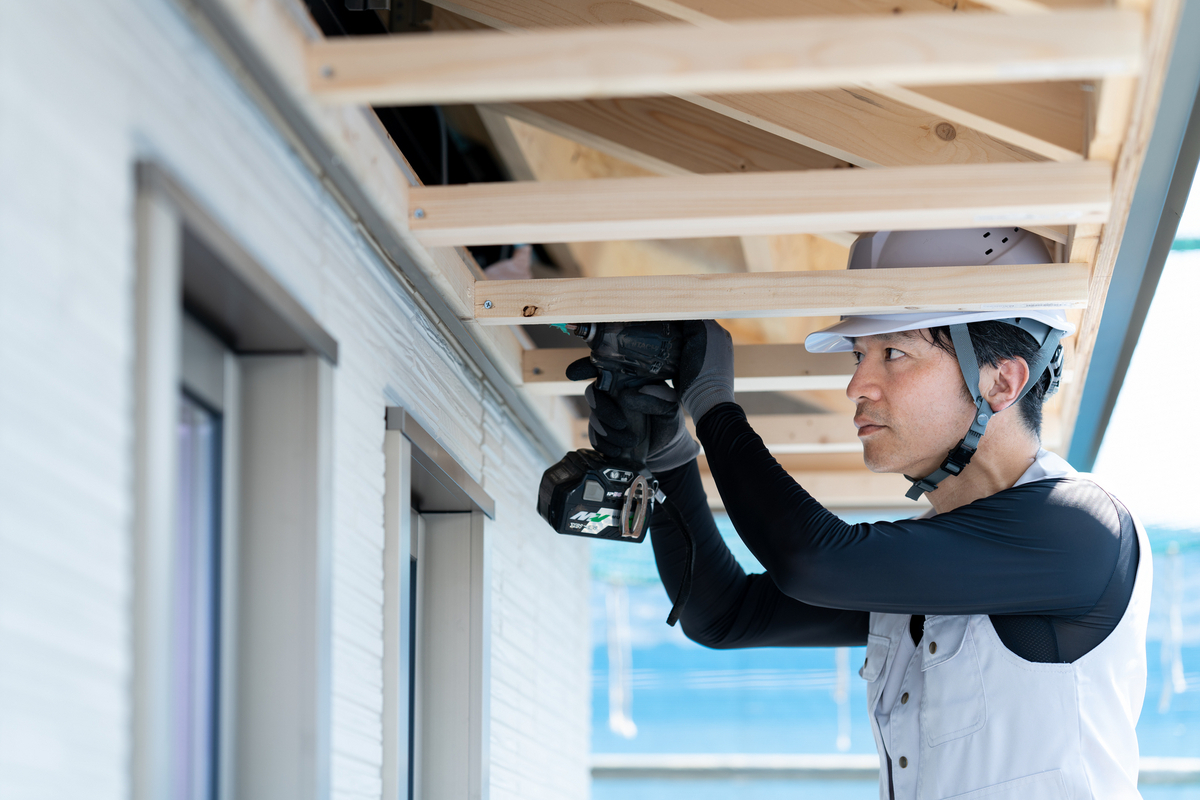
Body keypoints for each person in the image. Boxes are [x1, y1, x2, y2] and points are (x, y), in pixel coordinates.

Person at [574, 228, 1151, 800]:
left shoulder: (1083, 530)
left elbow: (815, 563)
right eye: (859, 354)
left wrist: (713, 407)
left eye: (893, 353)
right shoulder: (942, 568)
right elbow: (725, 615)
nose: (856, 385)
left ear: (1001, 381)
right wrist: (670, 457)